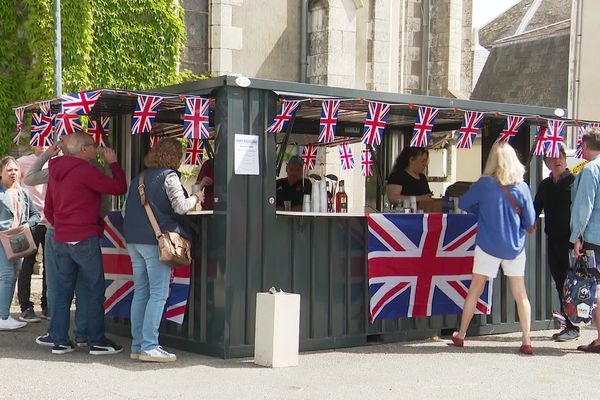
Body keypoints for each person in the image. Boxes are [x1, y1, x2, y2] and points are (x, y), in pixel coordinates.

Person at [45, 132, 127, 355]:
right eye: (93, 145)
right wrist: (114, 164)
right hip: (84, 237)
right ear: (82, 149)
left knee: (63, 292)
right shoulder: (85, 170)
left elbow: (48, 209)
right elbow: (118, 188)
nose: (96, 149)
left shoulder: (55, 171)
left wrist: (62, 227)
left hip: (61, 238)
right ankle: (97, 341)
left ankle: (60, 341)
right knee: (94, 289)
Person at [451, 141, 536, 355]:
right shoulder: (522, 187)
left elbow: (463, 203)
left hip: (488, 244)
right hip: (514, 247)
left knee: (475, 289)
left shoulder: (484, 184)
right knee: (520, 293)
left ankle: (461, 334)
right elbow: (530, 220)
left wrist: (481, 212)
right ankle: (526, 339)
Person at [123, 137, 203, 362]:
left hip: (133, 241)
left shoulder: (138, 177)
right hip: (156, 242)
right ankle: (149, 346)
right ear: (175, 157)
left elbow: (124, 211)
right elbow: (181, 207)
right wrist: (197, 196)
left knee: (141, 292)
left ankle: (137, 345)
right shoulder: (169, 177)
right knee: (158, 293)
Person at [24, 139, 89, 348]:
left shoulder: (55, 168)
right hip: (81, 230)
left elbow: (31, 178)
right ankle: (82, 333)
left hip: (55, 228)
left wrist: (45, 156)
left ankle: (56, 334)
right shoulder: (89, 168)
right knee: (84, 285)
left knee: (57, 285)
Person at [533, 146, 579, 341]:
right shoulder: (545, 185)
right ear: (546, 162)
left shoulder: (574, 181)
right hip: (553, 241)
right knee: (560, 284)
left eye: (560, 155)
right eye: (552, 157)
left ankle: (576, 324)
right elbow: (534, 210)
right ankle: (569, 325)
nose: (557, 159)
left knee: (575, 285)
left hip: (573, 243)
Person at [0, 156, 41, 330]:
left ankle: (4, 314)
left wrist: (27, 225)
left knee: (13, 276)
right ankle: (3, 316)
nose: (13, 173)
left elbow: (36, 215)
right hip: (3, 239)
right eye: (9, 170)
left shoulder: (23, 193)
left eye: (16, 170)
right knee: (7, 277)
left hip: (19, 240)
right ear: (1, 173)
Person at [570, 128, 600, 353]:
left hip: (594, 239)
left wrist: (576, 238)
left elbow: (584, 208)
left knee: (595, 289)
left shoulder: (590, 170)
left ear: (586, 146)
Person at [16, 146, 48, 322]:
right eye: (39, 139)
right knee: (27, 263)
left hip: (50, 220)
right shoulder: (22, 162)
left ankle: (47, 304)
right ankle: (25, 306)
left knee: (50, 266)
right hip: (30, 221)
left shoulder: (55, 162)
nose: (43, 144)